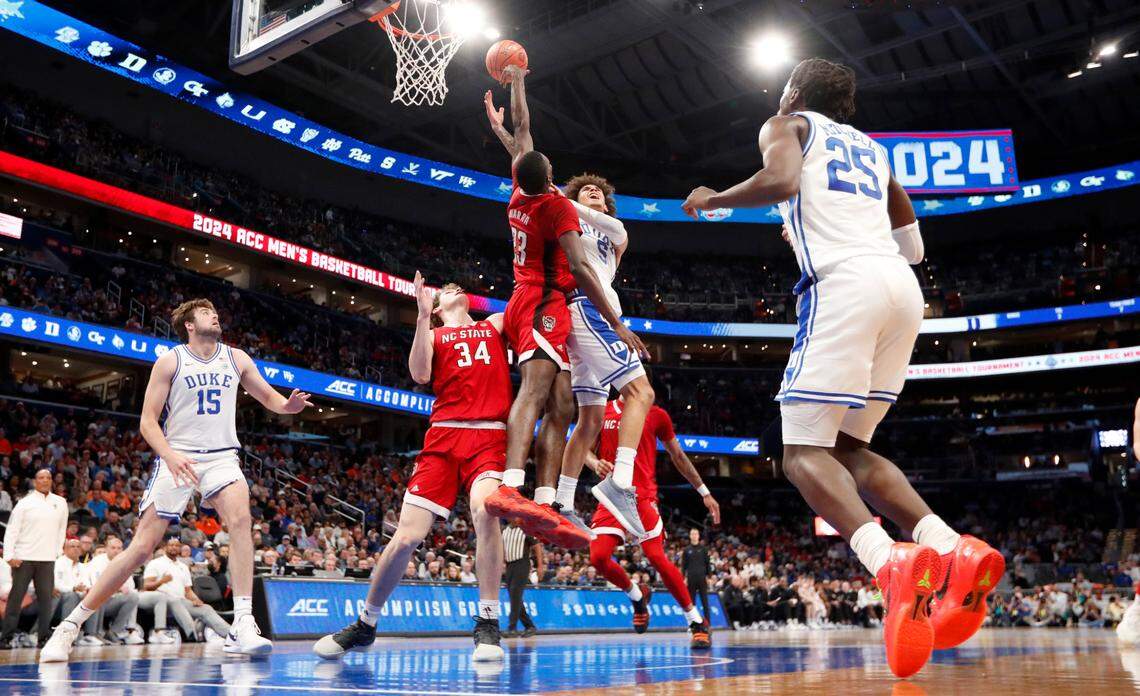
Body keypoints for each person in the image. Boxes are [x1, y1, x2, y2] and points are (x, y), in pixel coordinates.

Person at [681, 58, 1003, 678]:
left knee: (800, 455)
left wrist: (712, 200)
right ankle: (948, 545)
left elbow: (778, 184)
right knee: (851, 448)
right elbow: (913, 246)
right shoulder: (874, 150)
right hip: (902, 290)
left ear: (796, 92)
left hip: (843, 285)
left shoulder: (785, 122)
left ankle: (889, 562)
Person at [40, 298, 313, 662]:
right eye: (206, 312)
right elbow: (148, 421)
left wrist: (287, 407)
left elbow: (270, 398)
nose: (215, 316)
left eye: (216, 312)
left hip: (221, 456)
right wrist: (168, 454)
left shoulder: (237, 357)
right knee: (140, 548)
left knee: (242, 521)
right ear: (188, 323)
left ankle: (243, 623)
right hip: (178, 455)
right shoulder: (171, 360)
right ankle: (70, 626)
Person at [481, 65, 648, 548]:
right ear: (559, 183)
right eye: (584, 190)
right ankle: (527, 484)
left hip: (557, 305)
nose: (592, 194)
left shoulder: (601, 223)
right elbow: (578, 265)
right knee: (620, 394)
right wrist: (619, 323)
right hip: (562, 304)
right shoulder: (557, 208)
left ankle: (559, 499)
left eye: (600, 193)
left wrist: (512, 103)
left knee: (576, 411)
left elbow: (525, 144)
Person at [314, 274, 510, 662]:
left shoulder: (495, 324)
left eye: (458, 287)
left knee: (485, 511)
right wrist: (422, 318)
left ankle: (487, 622)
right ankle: (365, 624)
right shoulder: (434, 334)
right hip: (443, 438)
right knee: (406, 538)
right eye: (445, 291)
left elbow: (529, 297)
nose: (454, 288)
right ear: (437, 307)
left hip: (488, 436)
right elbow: (420, 374)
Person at [583, 397, 720, 648]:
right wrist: (594, 462)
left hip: (642, 495)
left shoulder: (657, 415)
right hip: (612, 493)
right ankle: (637, 595)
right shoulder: (604, 409)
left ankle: (696, 622)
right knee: (598, 557)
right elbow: (582, 447)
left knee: (656, 556)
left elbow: (678, 455)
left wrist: (705, 492)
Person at [1, 468, 67, 648]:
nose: (45, 481)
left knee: (46, 601)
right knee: (16, 599)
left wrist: (58, 551)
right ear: (35, 481)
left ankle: (43, 637)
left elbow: (62, 529)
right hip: (23, 558)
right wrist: (9, 555)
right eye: (41, 478)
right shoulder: (25, 503)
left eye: (48, 478)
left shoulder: (60, 503)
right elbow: (12, 530)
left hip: (47, 560)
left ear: (52, 480)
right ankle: (6, 637)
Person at [143, 538, 231, 642]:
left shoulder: (183, 567)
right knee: (174, 601)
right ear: (165, 547)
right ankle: (191, 635)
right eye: (171, 545)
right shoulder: (155, 563)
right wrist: (162, 581)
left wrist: (196, 599)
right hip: (161, 601)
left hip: (181, 601)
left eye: (176, 545)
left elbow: (188, 591)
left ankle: (231, 635)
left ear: (180, 548)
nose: (174, 547)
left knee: (206, 609)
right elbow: (147, 586)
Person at [84, 536, 145, 645]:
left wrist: (119, 589)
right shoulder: (98, 561)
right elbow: (98, 584)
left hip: (113, 600)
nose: (116, 551)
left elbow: (130, 586)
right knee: (99, 596)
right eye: (113, 548)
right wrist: (117, 588)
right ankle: (93, 634)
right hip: (98, 601)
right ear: (106, 548)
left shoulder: (125, 562)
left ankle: (115, 632)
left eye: (119, 548)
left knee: (133, 596)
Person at [502, 518, 542, 637]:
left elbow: (537, 546)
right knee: (515, 597)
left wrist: (540, 566)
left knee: (515, 593)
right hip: (509, 565)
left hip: (522, 564)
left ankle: (512, 628)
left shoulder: (526, 529)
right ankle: (529, 626)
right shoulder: (504, 531)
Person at [681, 529, 713, 625]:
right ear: (690, 536)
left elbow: (708, 564)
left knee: (705, 602)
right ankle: (693, 625)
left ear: (698, 536)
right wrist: (684, 578)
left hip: (702, 578)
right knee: (691, 603)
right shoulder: (686, 550)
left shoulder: (704, 549)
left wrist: (709, 577)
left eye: (696, 534)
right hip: (691, 578)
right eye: (692, 534)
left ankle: (708, 624)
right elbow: (684, 566)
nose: (694, 536)